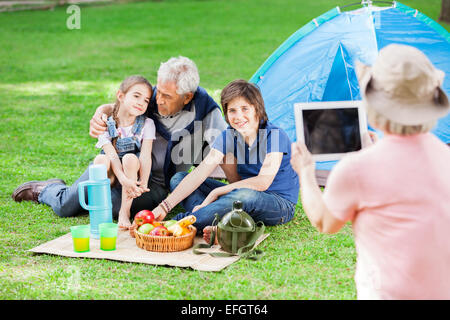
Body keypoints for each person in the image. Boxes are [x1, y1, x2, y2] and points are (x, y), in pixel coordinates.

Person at [290, 44, 450, 299]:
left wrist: (306, 172)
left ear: (373, 111)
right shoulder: (446, 156)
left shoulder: (356, 169)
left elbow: (324, 222)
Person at [12, 56, 228, 220]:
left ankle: (88, 194)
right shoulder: (151, 97)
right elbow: (118, 106)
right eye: (158, 91)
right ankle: (46, 190)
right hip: (114, 168)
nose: (157, 99)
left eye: (167, 96)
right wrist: (101, 111)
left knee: (108, 206)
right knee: (65, 207)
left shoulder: (206, 111)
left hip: (154, 184)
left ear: (187, 97)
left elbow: (224, 150)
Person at [150, 79, 299, 235]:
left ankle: (182, 223)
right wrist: (164, 206)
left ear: (257, 109)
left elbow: (262, 183)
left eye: (245, 109)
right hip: (239, 194)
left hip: (277, 202)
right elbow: (200, 172)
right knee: (179, 178)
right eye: (232, 110)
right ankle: (219, 224)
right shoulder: (228, 135)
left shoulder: (274, 135)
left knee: (244, 196)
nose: (238, 116)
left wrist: (217, 192)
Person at [93, 75, 155, 229]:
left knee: (129, 158)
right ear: (120, 96)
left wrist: (144, 182)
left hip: (133, 170)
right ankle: (99, 211)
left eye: (146, 100)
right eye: (136, 96)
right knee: (100, 161)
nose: (141, 102)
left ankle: (124, 212)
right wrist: (121, 178)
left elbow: (146, 155)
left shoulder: (147, 123)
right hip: (113, 173)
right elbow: (112, 156)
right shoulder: (105, 121)